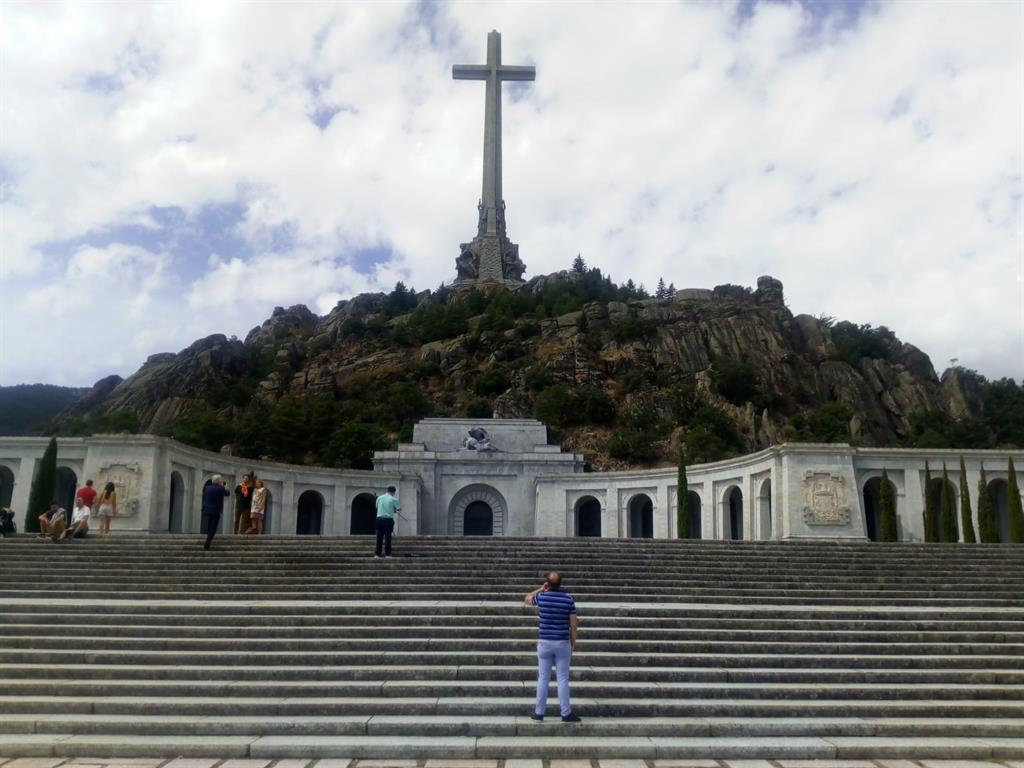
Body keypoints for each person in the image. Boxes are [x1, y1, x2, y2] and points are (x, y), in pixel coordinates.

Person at [524, 570, 581, 723]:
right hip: (562, 643)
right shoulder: (568, 600)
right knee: (562, 678)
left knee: (543, 677)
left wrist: (541, 589)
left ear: (548, 584)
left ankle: (539, 712)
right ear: (561, 583)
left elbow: (527, 598)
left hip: (544, 642)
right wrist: (573, 643)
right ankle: (566, 713)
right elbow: (574, 624)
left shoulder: (542, 597)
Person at [202, 475, 230, 550]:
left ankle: (208, 536)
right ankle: (207, 543)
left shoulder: (207, 487)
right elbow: (227, 494)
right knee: (213, 528)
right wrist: (226, 486)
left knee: (209, 525)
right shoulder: (221, 488)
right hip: (216, 510)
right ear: (219, 481)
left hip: (207, 509)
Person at [374, 485, 401, 558]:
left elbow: (377, 507)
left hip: (379, 519)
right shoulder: (393, 499)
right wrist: (394, 510)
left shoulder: (379, 497)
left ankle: (377, 554)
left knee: (379, 537)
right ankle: (387, 554)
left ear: (387, 490)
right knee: (388, 537)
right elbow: (399, 509)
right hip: (388, 520)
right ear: (394, 492)